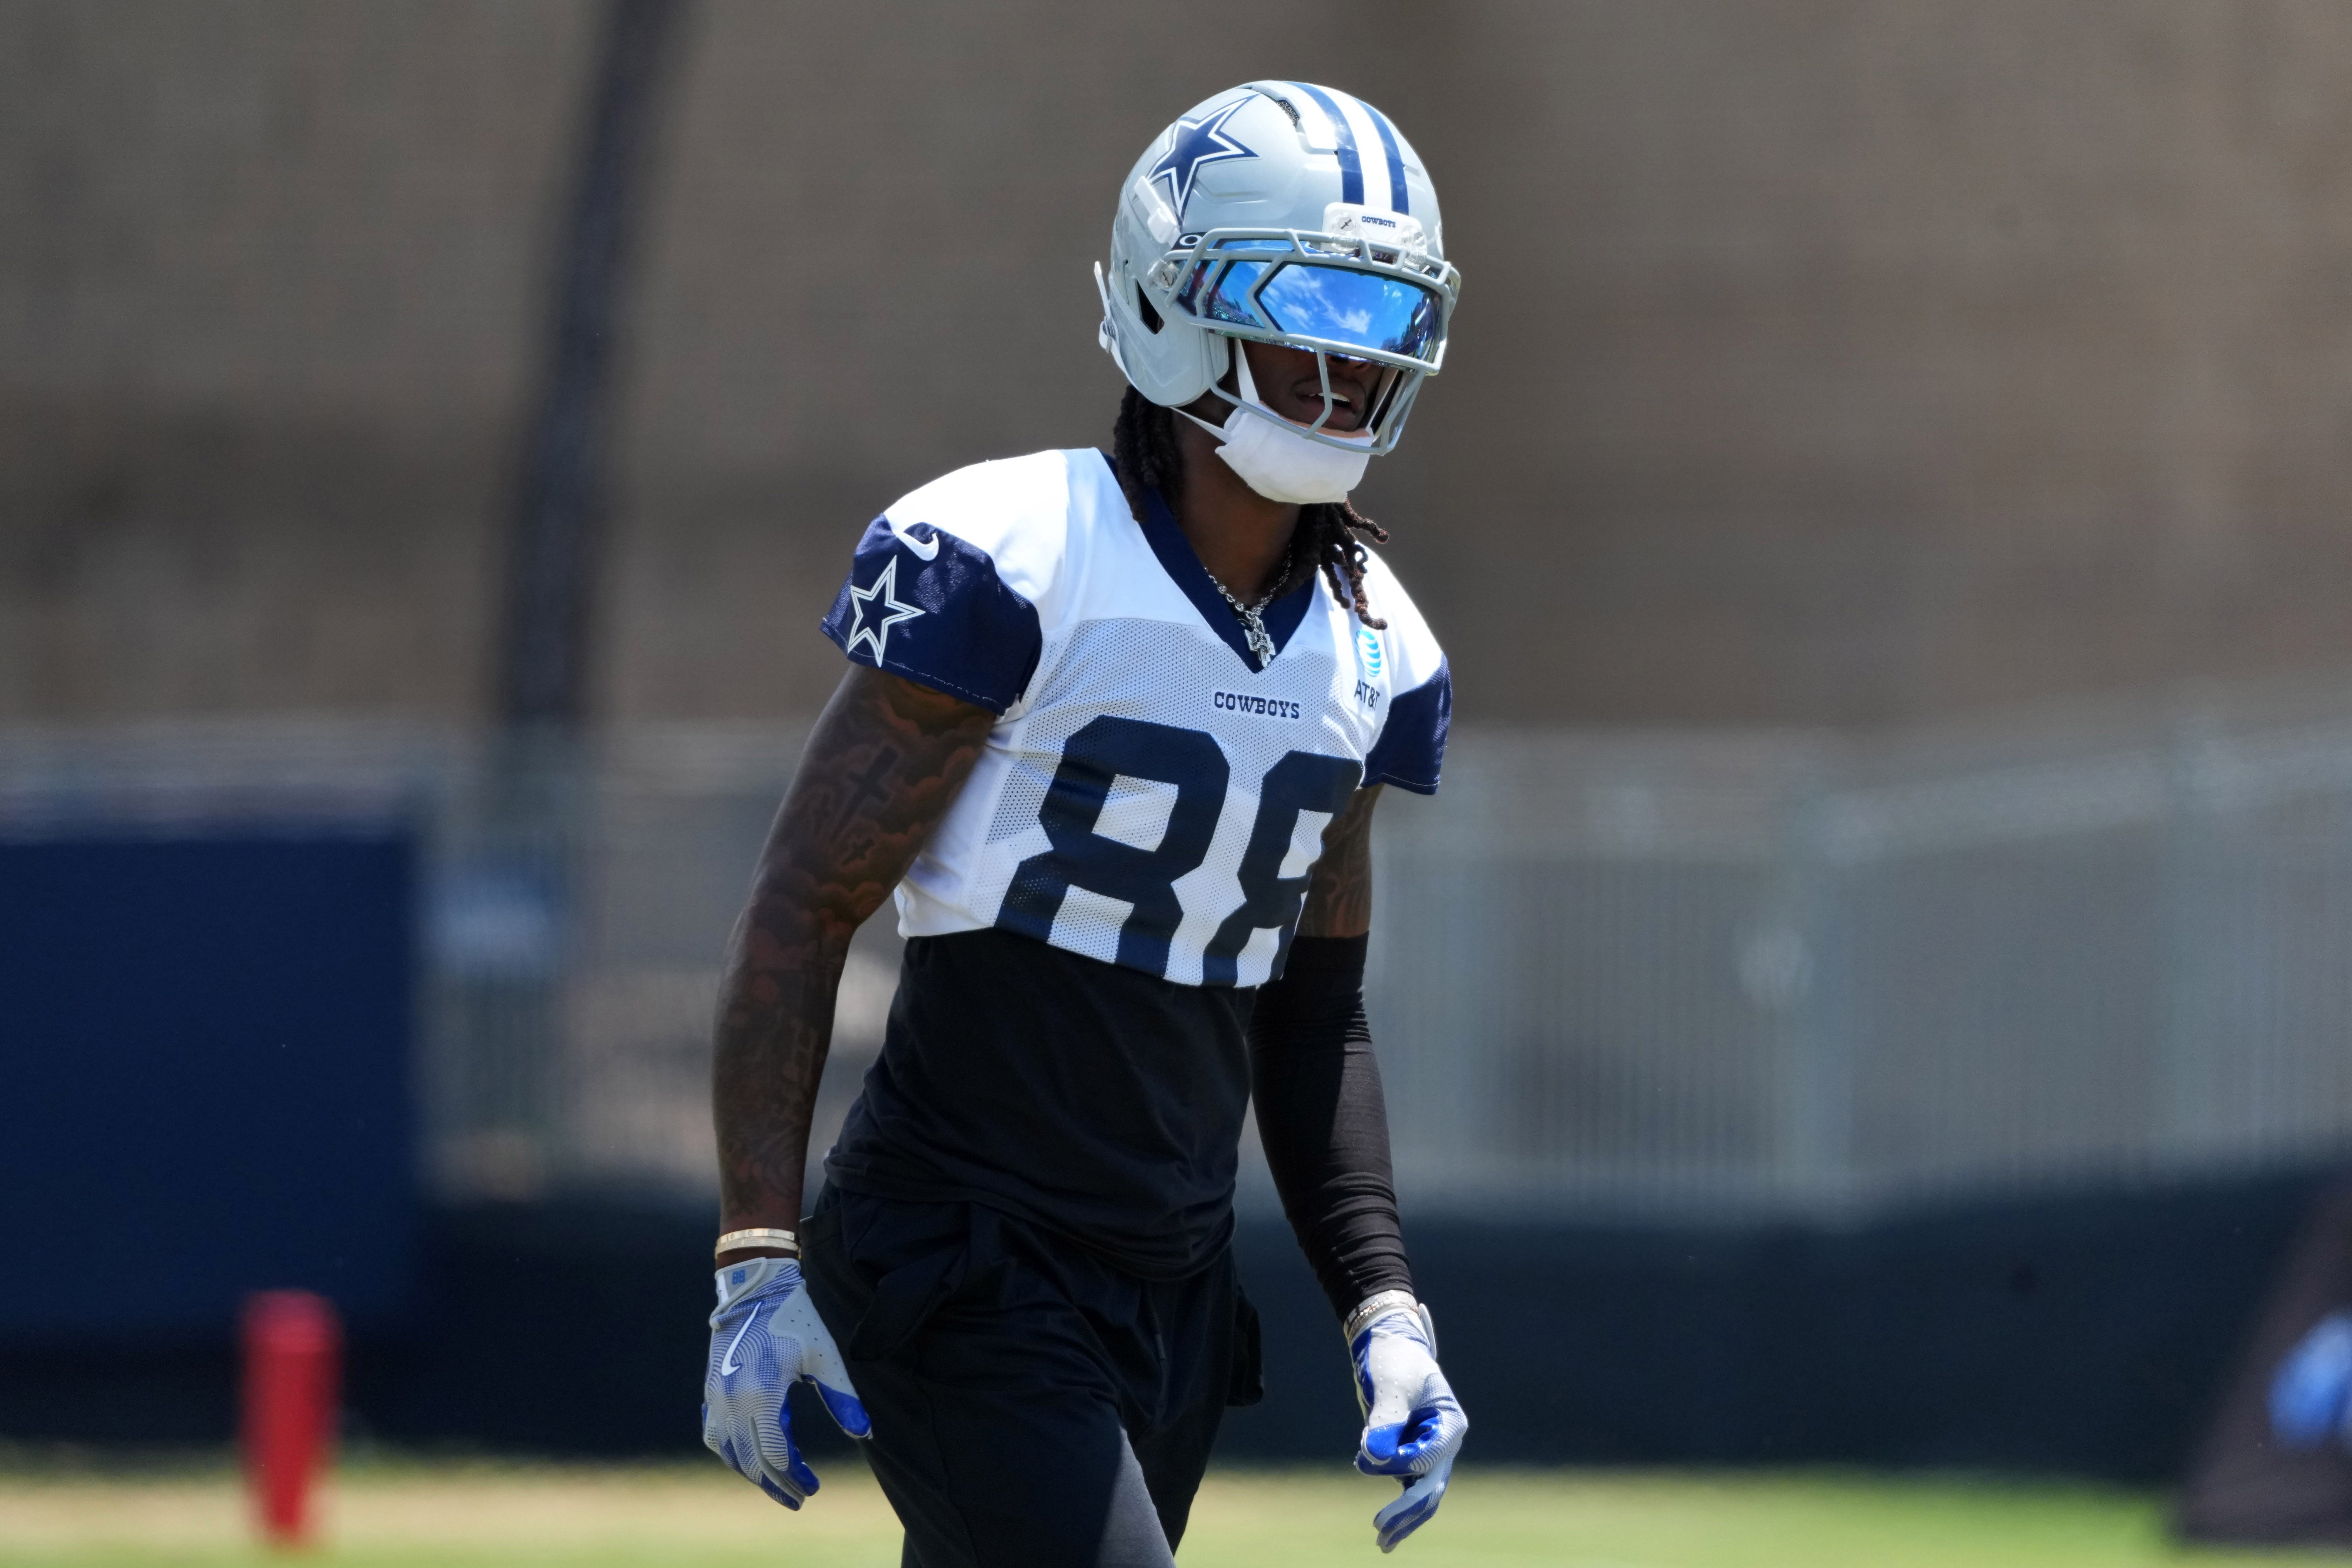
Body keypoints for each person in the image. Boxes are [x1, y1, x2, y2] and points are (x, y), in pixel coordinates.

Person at [699, 81, 1469, 1566]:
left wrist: (1387, 1308)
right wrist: (754, 1258)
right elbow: (805, 901)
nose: (1350, 357)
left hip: (1171, 1287)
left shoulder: (1380, 648)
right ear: (1175, 304)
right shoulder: (1019, 554)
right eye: (1307, 301)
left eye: (1382, 314)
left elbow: (1316, 1015)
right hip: (964, 1251)